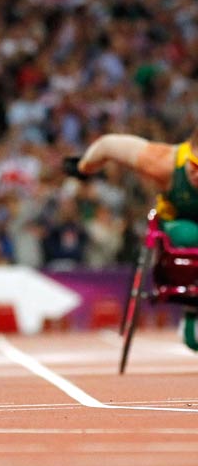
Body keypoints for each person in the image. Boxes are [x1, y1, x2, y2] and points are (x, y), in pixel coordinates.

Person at [64, 129, 198, 348]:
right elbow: (109, 144)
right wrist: (84, 167)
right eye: (194, 165)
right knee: (189, 233)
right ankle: (192, 307)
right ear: (187, 155)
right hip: (177, 225)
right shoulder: (163, 161)